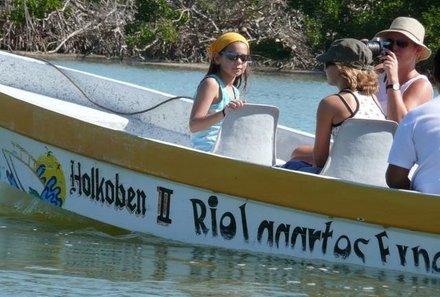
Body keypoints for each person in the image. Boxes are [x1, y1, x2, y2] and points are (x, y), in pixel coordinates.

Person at [281, 38, 385, 173]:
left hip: (342, 176)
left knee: (291, 166)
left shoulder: (331, 103)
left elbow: (320, 160)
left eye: (327, 63)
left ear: (340, 68)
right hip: (370, 175)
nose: (325, 69)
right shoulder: (373, 100)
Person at [386, 47, 440, 195]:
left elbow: (395, 179)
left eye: (401, 44)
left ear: (434, 76)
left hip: (426, 205)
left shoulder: (416, 117)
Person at [189, 32, 251, 151]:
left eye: (244, 58)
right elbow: (194, 125)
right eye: (232, 56)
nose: (239, 62)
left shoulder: (235, 91)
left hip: (224, 147)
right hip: (206, 148)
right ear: (217, 58)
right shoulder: (211, 84)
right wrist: (224, 112)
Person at [374, 16, 433, 122]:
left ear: (417, 51)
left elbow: (400, 123)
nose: (395, 48)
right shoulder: (378, 72)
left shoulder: (421, 85)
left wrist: (393, 80)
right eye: (390, 42)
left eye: (402, 43)